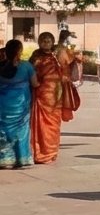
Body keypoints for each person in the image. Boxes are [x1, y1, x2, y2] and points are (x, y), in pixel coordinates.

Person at [30, 32, 77, 164]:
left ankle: (51, 152)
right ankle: (40, 153)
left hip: (56, 97)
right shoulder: (35, 56)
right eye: (43, 41)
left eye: (48, 41)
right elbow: (30, 72)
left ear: (52, 42)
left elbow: (69, 63)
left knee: (54, 125)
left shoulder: (56, 55)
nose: (46, 43)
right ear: (39, 42)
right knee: (41, 125)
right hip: (41, 95)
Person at [0, 40, 36, 169]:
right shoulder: (26, 66)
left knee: (3, 130)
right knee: (21, 130)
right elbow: (35, 84)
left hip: (3, 105)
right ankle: (22, 158)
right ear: (20, 51)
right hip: (21, 105)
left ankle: (5, 160)